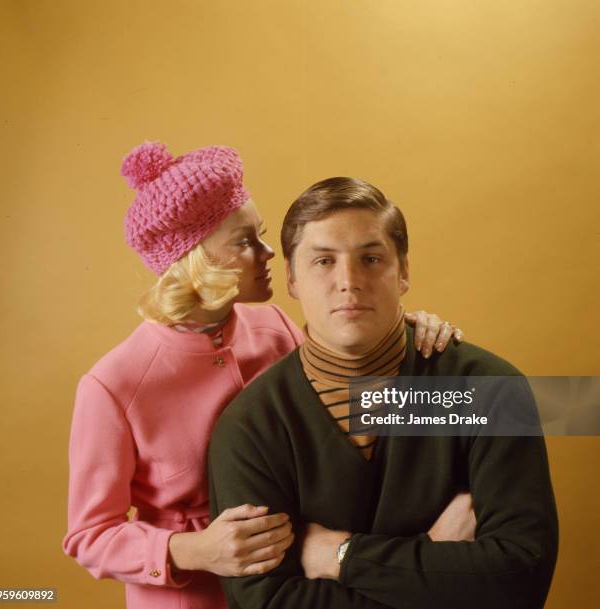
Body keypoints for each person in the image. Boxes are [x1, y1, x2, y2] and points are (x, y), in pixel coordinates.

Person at [62, 142, 462, 609]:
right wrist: (195, 550)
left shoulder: (273, 326)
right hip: (193, 598)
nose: (270, 252)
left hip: (301, 582)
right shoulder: (114, 385)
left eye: (262, 234)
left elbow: (345, 401)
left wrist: (405, 332)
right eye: (244, 242)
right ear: (198, 262)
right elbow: (89, 535)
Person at [208, 177, 559, 609]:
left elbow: (519, 582)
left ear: (404, 271)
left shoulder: (485, 393)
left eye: (371, 258)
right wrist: (433, 558)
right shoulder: (251, 425)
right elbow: (264, 602)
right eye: (323, 261)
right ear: (292, 279)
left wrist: (340, 555)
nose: (349, 282)